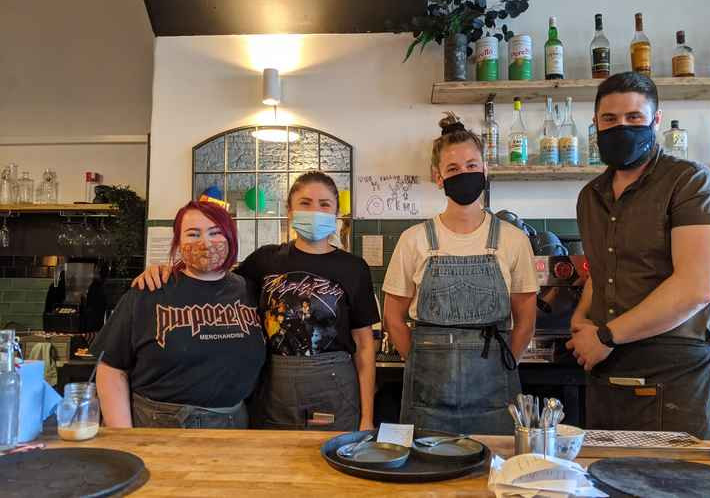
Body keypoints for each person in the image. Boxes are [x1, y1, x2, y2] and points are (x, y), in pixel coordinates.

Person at [132, 172, 380, 431]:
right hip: (274, 387)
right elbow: (214, 279)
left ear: (336, 213)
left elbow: (364, 347)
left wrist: (367, 419)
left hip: (334, 384)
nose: (315, 211)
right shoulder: (265, 260)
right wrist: (169, 271)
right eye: (305, 203)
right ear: (290, 211)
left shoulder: (353, 268)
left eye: (325, 204)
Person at [567, 72, 710, 439]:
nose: (621, 127)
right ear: (595, 123)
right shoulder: (590, 196)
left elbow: (696, 288)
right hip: (606, 367)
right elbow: (601, 271)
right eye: (609, 119)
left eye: (634, 118)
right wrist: (582, 318)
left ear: (656, 121)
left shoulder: (692, 183)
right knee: (605, 482)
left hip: (673, 369)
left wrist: (606, 336)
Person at [383, 115, 538, 435]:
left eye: (472, 165)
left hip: (495, 393)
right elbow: (394, 318)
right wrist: (424, 360)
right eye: (453, 169)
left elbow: (526, 320)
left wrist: (503, 364)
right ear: (438, 178)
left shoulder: (513, 240)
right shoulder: (413, 239)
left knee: (495, 477)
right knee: (428, 476)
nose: (464, 174)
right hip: (428, 397)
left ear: (485, 169)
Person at [92, 200, 266, 428]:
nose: (205, 243)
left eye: (215, 232)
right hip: (159, 425)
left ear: (230, 237)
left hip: (234, 426)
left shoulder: (250, 290)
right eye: (193, 234)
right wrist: (124, 437)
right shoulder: (149, 291)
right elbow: (111, 368)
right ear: (178, 242)